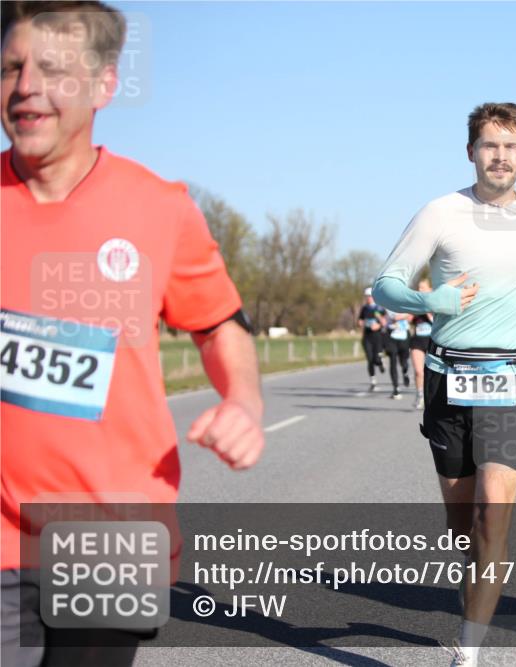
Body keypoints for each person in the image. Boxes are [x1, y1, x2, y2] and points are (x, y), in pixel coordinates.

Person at [0, 3, 265, 665]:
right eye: (10, 66)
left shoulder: (160, 208)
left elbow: (219, 327)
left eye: (52, 69)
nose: (25, 85)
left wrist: (244, 402)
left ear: (104, 85)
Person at [372, 102, 516, 667]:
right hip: (448, 380)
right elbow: (384, 286)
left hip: (513, 378)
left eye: (510, 146)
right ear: (471, 152)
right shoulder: (440, 212)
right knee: (463, 530)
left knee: (490, 514)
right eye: (489, 145)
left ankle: (469, 650)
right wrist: (431, 300)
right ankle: (472, 595)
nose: (500, 156)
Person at [408, 279, 434, 409]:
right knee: (419, 371)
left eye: (423, 288)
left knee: (432, 372)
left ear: (430, 289)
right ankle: (420, 395)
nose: (420, 290)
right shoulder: (415, 304)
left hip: (432, 340)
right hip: (417, 340)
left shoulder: (436, 302)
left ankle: (432, 396)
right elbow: (406, 317)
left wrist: (428, 309)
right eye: (419, 288)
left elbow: (436, 320)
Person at [358, 287, 387, 391]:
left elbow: (385, 322)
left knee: (376, 359)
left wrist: (379, 325)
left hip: (377, 336)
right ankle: (373, 381)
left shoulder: (379, 308)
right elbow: (360, 320)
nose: (368, 298)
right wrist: (361, 323)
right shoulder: (364, 308)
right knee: (369, 359)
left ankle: (380, 362)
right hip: (367, 336)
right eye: (367, 296)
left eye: (370, 296)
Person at [383, 310, 411, 400]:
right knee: (392, 361)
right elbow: (393, 317)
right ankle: (395, 388)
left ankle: (405, 372)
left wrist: (407, 315)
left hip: (404, 336)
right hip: (391, 336)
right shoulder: (387, 303)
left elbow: (411, 315)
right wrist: (405, 315)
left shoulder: (405, 301)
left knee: (404, 361)